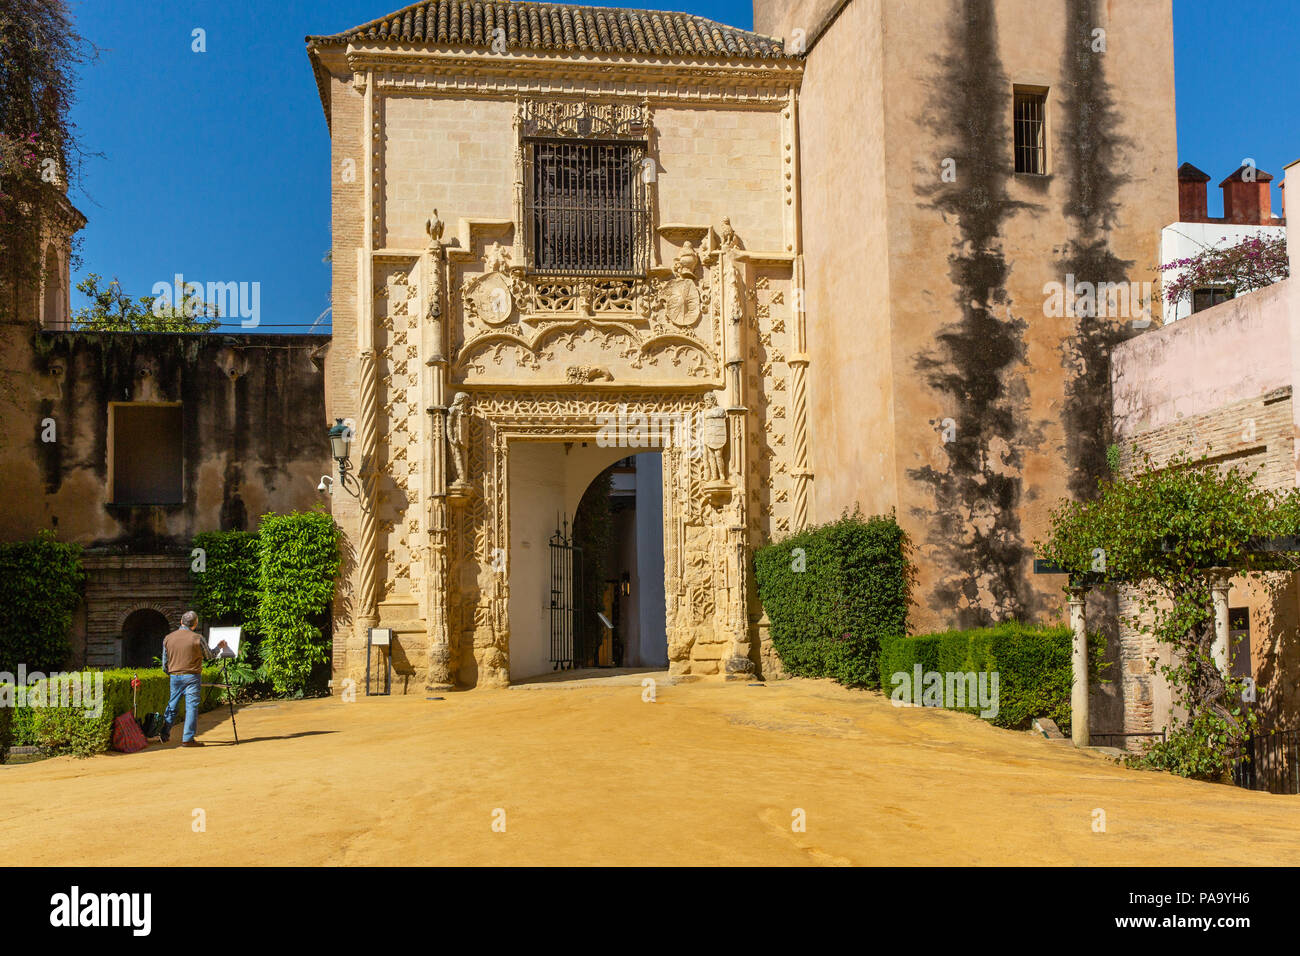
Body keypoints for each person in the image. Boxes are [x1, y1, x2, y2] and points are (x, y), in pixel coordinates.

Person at [160, 611, 226, 748]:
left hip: (175, 676)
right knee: (191, 707)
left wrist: (172, 673)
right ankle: (188, 738)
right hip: (192, 676)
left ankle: (164, 733)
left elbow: (164, 664)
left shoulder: (168, 638)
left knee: (172, 705)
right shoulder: (197, 638)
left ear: (181, 622)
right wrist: (219, 647)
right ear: (195, 624)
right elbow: (209, 655)